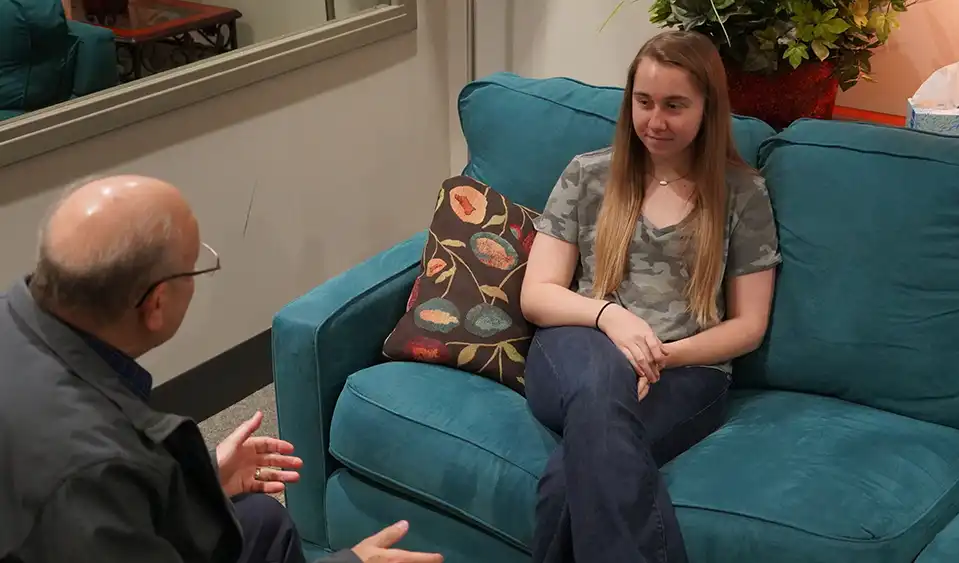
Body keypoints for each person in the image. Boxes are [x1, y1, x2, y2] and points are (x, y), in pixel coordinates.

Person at [0, 175, 443, 563]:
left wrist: (202, 478)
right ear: (156, 304)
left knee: (260, 521)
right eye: (195, 267)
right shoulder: (93, 471)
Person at [520, 30, 781, 563]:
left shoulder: (742, 194)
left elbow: (749, 326)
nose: (655, 120)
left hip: (687, 373)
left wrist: (661, 356)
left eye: (674, 106)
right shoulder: (588, 174)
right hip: (576, 346)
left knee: (568, 482)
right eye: (643, 102)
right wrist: (611, 318)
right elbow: (538, 293)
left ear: (708, 108)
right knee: (600, 379)